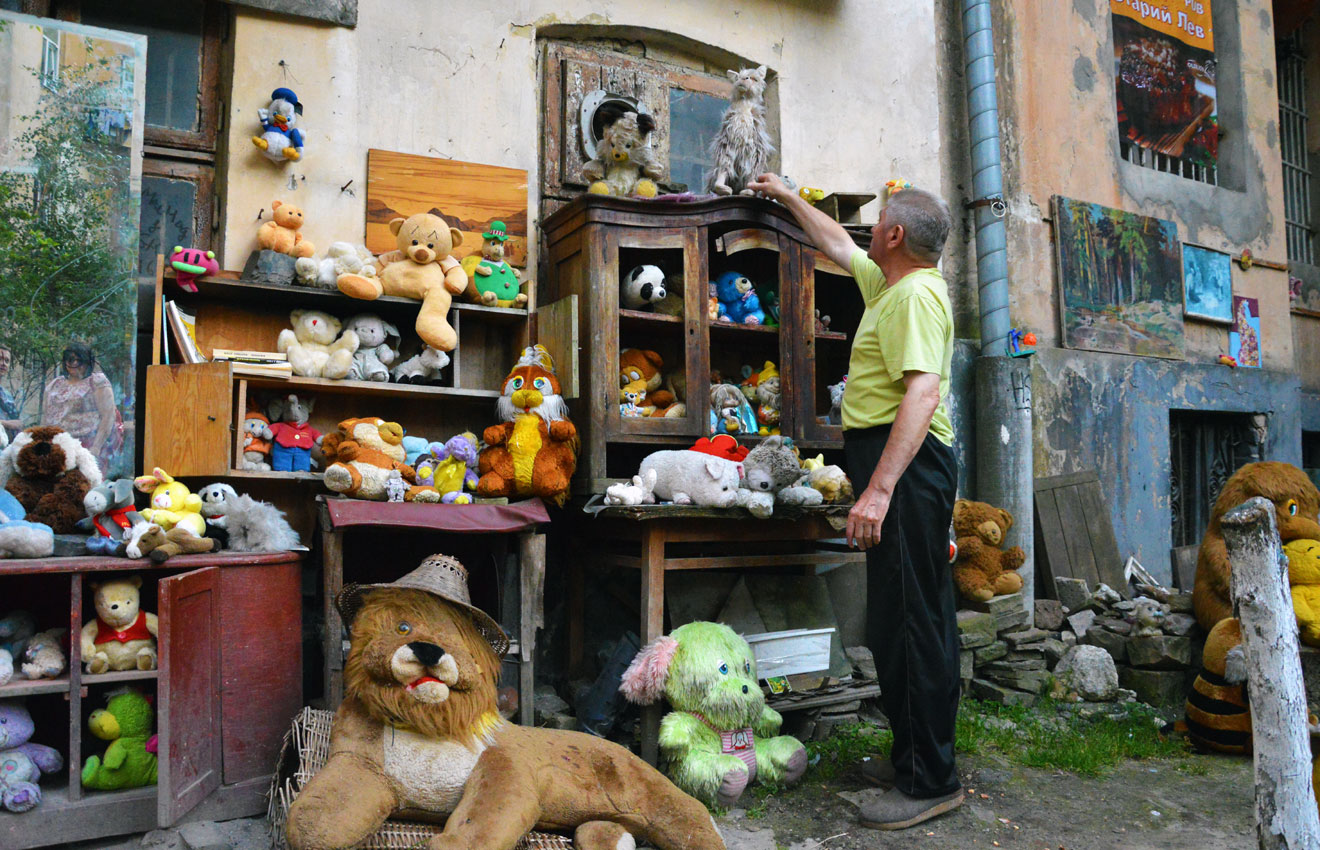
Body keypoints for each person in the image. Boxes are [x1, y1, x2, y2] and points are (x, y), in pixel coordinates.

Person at [747, 173, 961, 830]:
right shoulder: (892, 286)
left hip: (909, 468)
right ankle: (912, 758)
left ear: (895, 233)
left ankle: (931, 781)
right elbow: (838, 243)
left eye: (879, 222)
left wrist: (879, 490)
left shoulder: (918, 298)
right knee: (898, 617)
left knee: (914, 622)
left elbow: (922, 396)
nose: (869, 230)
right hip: (898, 463)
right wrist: (786, 196)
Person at [43, 342, 121, 471]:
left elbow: (108, 416)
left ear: (88, 362)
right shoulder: (55, 384)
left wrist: (96, 447)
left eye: (79, 360)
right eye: (70, 359)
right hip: (56, 447)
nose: (74, 363)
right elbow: (45, 417)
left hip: (86, 447)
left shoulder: (96, 382)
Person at [0, 346, 22, 438]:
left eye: (7, 361)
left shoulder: (7, 395)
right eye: (0, 359)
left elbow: (18, 423)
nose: (3, 364)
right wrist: (6, 423)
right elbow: (12, 423)